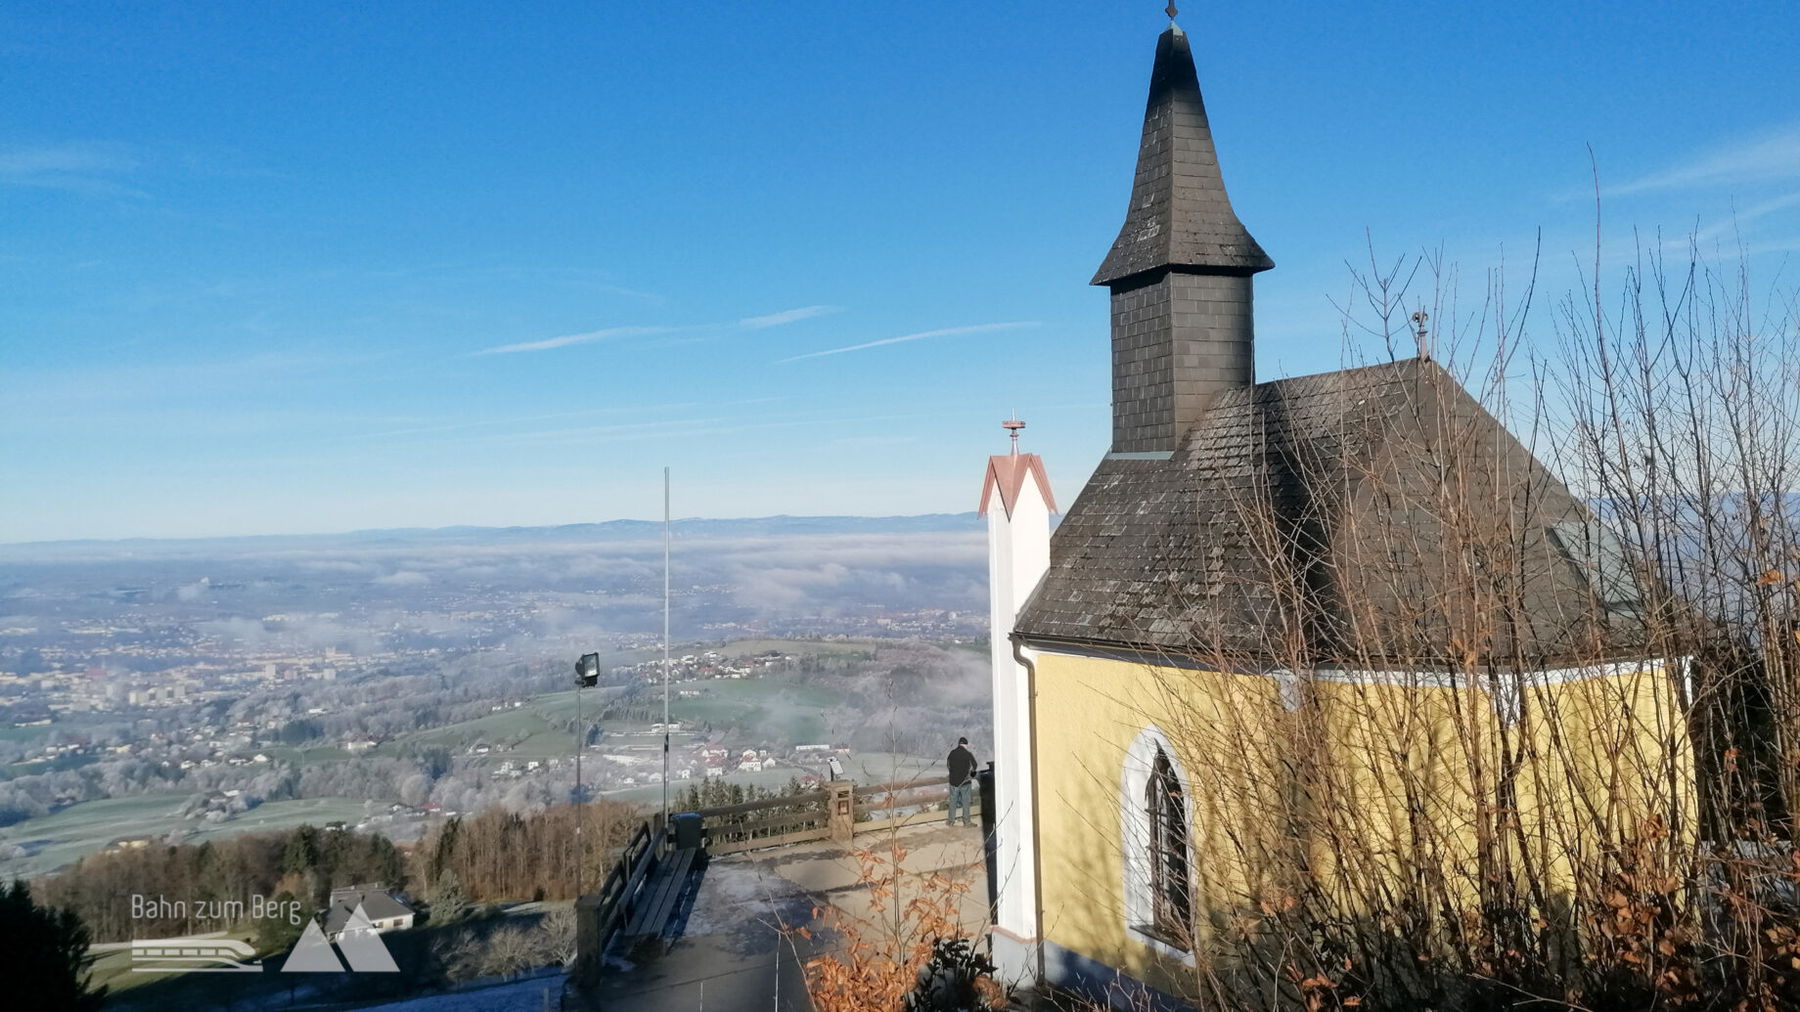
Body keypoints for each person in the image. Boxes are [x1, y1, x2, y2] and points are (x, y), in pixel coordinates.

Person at [946, 736, 977, 826]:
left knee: (953, 801)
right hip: (965, 782)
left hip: (953, 782)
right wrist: (971, 774)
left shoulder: (952, 753)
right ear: (966, 745)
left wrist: (953, 774)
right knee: (965, 802)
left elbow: (948, 765)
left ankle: (951, 821)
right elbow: (974, 766)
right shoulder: (968, 754)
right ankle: (967, 822)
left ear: (959, 744)